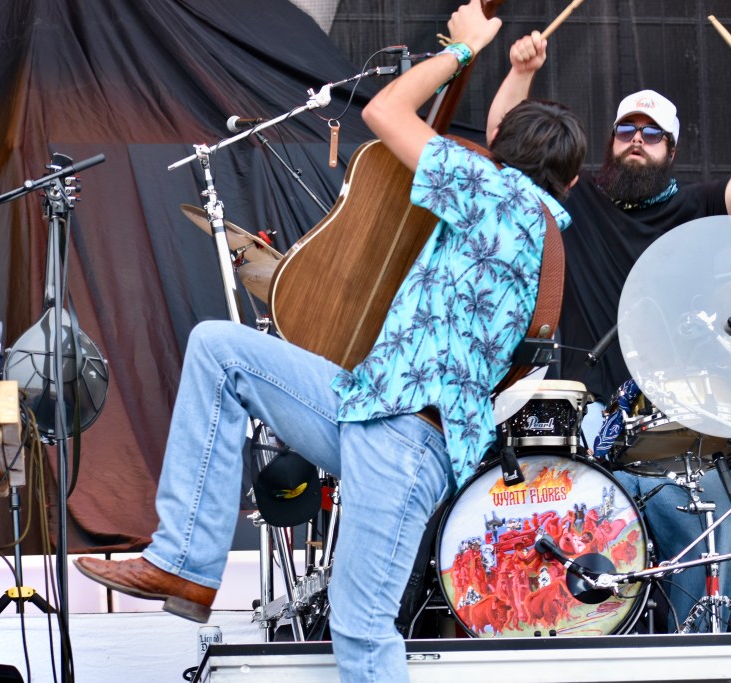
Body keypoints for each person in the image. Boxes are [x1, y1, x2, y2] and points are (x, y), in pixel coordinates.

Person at [73, 4, 586, 681]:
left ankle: (185, 562)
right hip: (366, 410)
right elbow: (500, 135)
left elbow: (385, 114)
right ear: (570, 180)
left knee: (363, 634)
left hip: (403, 435)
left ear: (497, 159)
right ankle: (185, 566)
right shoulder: (528, 218)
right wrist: (514, 75)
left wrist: (462, 52)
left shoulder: (495, 194)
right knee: (220, 351)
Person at [486, 32, 731, 632]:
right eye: (626, 131)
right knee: (557, 547)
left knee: (709, 530)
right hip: (572, 414)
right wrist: (521, 73)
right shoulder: (574, 196)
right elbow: (508, 148)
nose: (637, 140)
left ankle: (698, 652)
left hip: (659, 418)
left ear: (671, 149)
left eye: (652, 133)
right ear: (611, 143)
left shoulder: (692, 207)